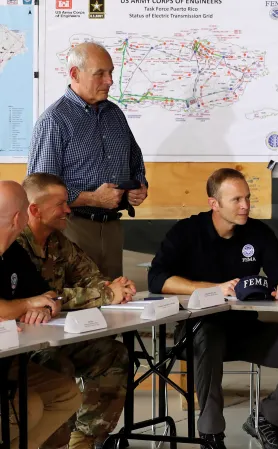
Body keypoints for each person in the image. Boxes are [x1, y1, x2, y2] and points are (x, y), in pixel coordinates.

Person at [147, 168, 278, 449]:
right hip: (197, 332)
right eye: (236, 200)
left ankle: (266, 420)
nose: (246, 205)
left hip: (245, 331)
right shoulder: (186, 232)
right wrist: (213, 289)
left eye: (247, 198)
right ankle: (211, 435)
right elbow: (157, 278)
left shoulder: (258, 232)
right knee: (208, 336)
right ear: (214, 203)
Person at [17, 173, 133, 449]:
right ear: (34, 209)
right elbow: (36, 299)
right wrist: (105, 293)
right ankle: (52, 442)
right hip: (26, 346)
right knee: (58, 366)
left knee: (113, 354)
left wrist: (113, 286)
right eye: (60, 204)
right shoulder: (15, 244)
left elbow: (89, 275)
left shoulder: (57, 240)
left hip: (59, 336)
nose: (68, 210)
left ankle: (83, 441)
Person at [27, 41, 148, 278]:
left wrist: (139, 186)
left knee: (114, 302)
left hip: (112, 227)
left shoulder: (115, 115)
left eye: (111, 72)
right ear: (75, 74)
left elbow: (136, 160)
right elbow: (39, 192)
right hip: (71, 228)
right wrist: (93, 198)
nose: (110, 81)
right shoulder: (54, 121)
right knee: (78, 304)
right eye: (100, 74)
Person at [0, 180, 83, 448]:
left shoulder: (14, 252)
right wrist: (26, 305)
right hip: (8, 356)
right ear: (19, 217)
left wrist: (46, 306)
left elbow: (48, 295)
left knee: (67, 394)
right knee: (30, 407)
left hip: (9, 357)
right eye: (26, 208)